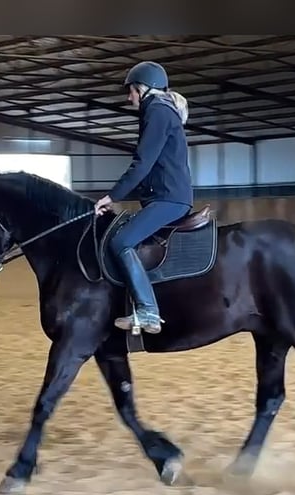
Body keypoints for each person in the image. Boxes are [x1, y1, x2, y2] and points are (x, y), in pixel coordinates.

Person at [94, 61, 194, 335]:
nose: (129, 98)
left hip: (170, 199)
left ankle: (148, 310)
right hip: (164, 197)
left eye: (131, 92)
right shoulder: (159, 111)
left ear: (144, 89)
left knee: (121, 241)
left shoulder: (158, 112)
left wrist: (112, 196)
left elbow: (143, 163)